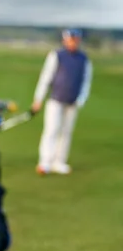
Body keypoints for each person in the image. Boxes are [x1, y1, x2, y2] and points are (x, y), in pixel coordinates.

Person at [31, 28, 92, 175]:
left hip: (72, 101)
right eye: (70, 39)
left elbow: (86, 81)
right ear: (65, 40)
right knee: (52, 130)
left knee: (66, 132)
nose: (72, 42)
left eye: (75, 39)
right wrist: (38, 99)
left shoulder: (84, 59)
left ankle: (59, 161)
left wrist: (81, 99)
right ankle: (45, 161)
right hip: (56, 99)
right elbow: (46, 77)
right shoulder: (56, 55)